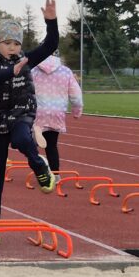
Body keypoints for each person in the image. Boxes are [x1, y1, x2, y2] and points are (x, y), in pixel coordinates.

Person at [0, 0, 59, 246]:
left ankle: (39, 166)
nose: (13, 48)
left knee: (23, 139)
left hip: (21, 112)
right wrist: (7, 73)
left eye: (16, 43)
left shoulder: (25, 60)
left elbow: (50, 45)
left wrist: (51, 22)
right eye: (7, 43)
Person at [32, 50, 83, 180]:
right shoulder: (66, 72)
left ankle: (39, 170)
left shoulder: (34, 71)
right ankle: (55, 174)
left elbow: (25, 90)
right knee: (52, 145)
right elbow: (76, 94)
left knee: (31, 145)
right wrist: (77, 110)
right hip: (56, 112)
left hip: (37, 112)